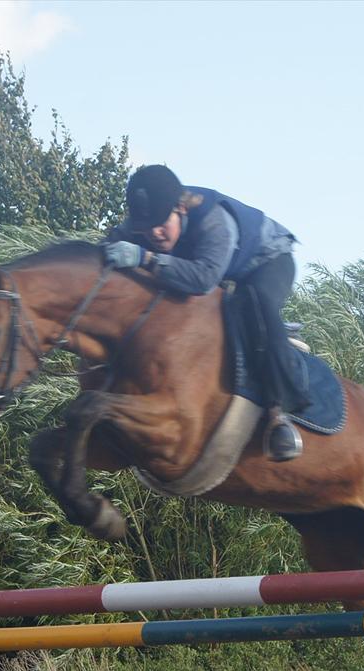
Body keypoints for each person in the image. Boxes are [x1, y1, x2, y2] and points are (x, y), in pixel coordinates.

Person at [103, 164, 309, 461]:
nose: (154, 233)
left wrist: (146, 258)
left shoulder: (214, 220)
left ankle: (280, 415)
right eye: (145, 228)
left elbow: (203, 278)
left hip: (267, 261)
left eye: (161, 224)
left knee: (257, 302)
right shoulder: (144, 222)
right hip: (223, 269)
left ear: (181, 208)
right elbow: (107, 248)